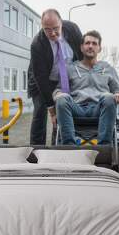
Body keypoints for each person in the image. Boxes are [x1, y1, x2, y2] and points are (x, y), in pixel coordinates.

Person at [53, 30, 119, 145]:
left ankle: (104, 148)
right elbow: (58, 90)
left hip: (100, 109)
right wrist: (58, 95)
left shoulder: (108, 69)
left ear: (99, 48)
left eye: (94, 43)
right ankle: (69, 147)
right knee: (62, 99)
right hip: (77, 109)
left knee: (108, 96)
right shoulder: (70, 68)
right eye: (87, 43)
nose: (90, 46)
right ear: (81, 47)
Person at [28, 9, 83, 145]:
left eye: (55, 28)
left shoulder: (73, 29)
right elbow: (40, 77)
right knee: (40, 112)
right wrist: (51, 109)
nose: (52, 33)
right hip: (42, 81)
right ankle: (35, 151)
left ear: (61, 23)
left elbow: (82, 56)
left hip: (64, 80)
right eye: (47, 29)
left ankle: (56, 147)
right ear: (42, 27)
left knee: (62, 112)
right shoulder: (37, 44)